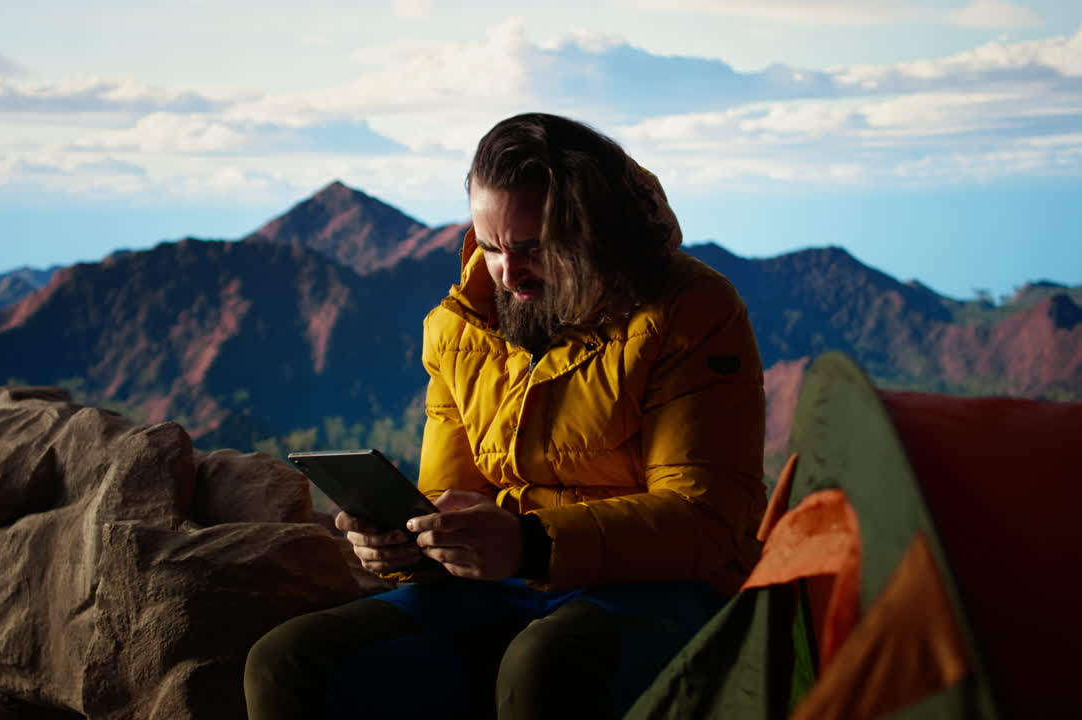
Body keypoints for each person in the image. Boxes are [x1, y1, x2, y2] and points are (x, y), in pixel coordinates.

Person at [244, 113, 767, 720]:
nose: (507, 274)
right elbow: (453, 494)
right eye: (490, 246)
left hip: (663, 587)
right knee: (287, 659)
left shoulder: (692, 312)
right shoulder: (459, 328)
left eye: (532, 249)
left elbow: (707, 517)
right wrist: (410, 545)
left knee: (544, 664)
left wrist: (532, 545)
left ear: (593, 229)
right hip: (502, 587)